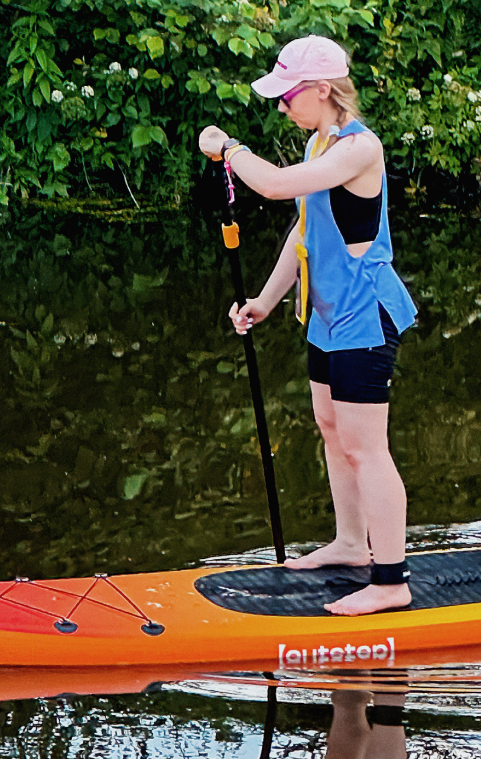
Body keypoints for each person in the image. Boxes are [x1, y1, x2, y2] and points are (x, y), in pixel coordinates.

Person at [197, 35, 419, 616]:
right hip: (327, 319)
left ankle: (391, 580)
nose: (281, 106)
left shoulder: (358, 148)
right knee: (330, 428)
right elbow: (302, 232)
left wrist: (228, 148)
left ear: (323, 90)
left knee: (368, 448)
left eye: (288, 95)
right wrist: (265, 301)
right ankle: (350, 545)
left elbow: (271, 186)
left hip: (365, 315)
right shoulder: (321, 142)